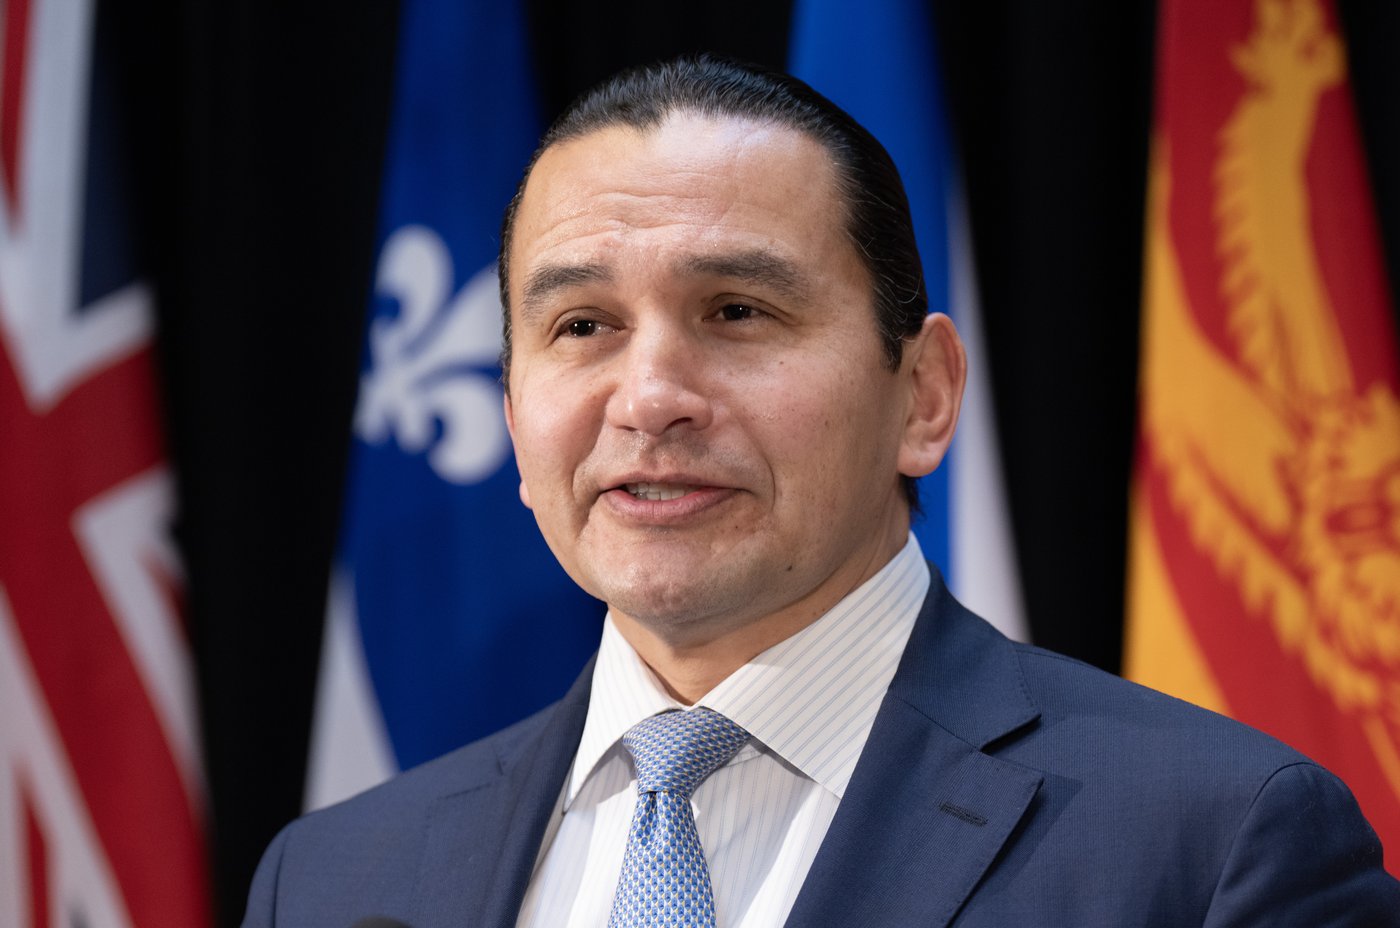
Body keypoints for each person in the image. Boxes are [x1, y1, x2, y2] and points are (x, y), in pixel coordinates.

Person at [242, 56, 1400, 927]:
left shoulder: (1215, 844)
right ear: (510, 409)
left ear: (924, 395)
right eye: (581, 325)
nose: (648, 398)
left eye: (737, 313)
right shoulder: (336, 878)